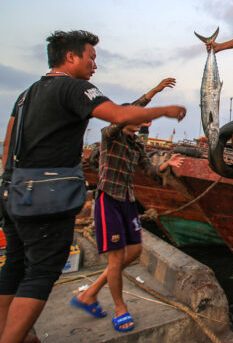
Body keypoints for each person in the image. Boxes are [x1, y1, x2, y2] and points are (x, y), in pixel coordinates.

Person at [0, 31, 187, 343]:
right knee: (41, 272)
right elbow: (121, 114)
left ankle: (15, 332)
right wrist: (162, 108)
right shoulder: (75, 89)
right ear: (70, 57)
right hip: (46, 199)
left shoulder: (26, 94)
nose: (94, 65)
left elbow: (9, 143)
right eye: (91, 57)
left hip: (13, 192)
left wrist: (11, 186)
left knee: (14, 266)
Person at [70, 78, 185, 332]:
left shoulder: (136, 146)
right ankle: (120, 308)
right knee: (115, 259)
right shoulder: (110, 135)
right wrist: (154, 91)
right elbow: (125, 115)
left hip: (128, 200)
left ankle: (89, 293)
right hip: (108, 198)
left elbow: (151, 172)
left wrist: (166, 165)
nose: (144, 119)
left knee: (133, 252)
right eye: (138, 115)